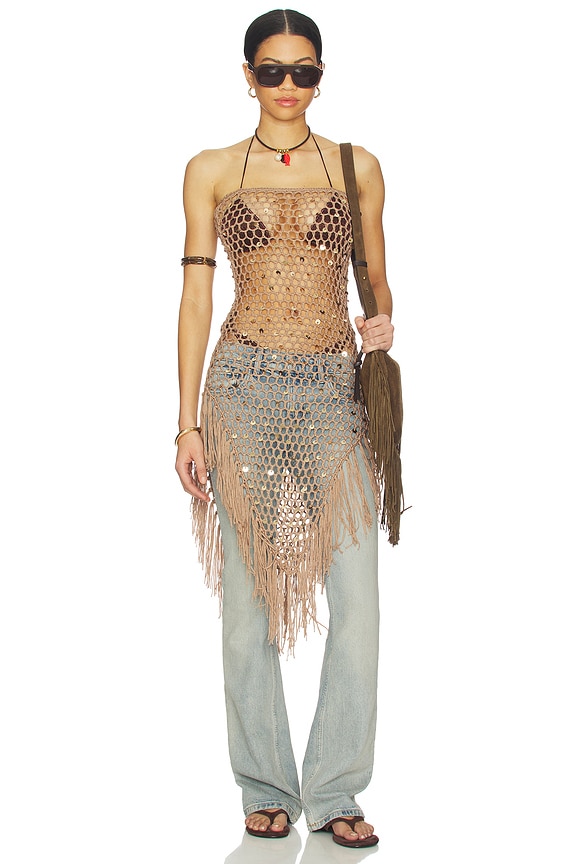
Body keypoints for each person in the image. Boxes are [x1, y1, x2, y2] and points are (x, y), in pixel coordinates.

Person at [175, 9, 394, 850]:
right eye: (273, 71)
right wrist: (186, 422)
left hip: (334, 388)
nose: (289, 86)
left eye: (305, 72)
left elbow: (377, 277)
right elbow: (197, 296)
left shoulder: (357, 166)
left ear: (321, 76)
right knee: (247, 604)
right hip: (242, 390)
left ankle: (337, 789)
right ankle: (264, 786)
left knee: (358, 600)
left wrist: (382, 321)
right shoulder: (211, 169)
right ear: (248, 76)